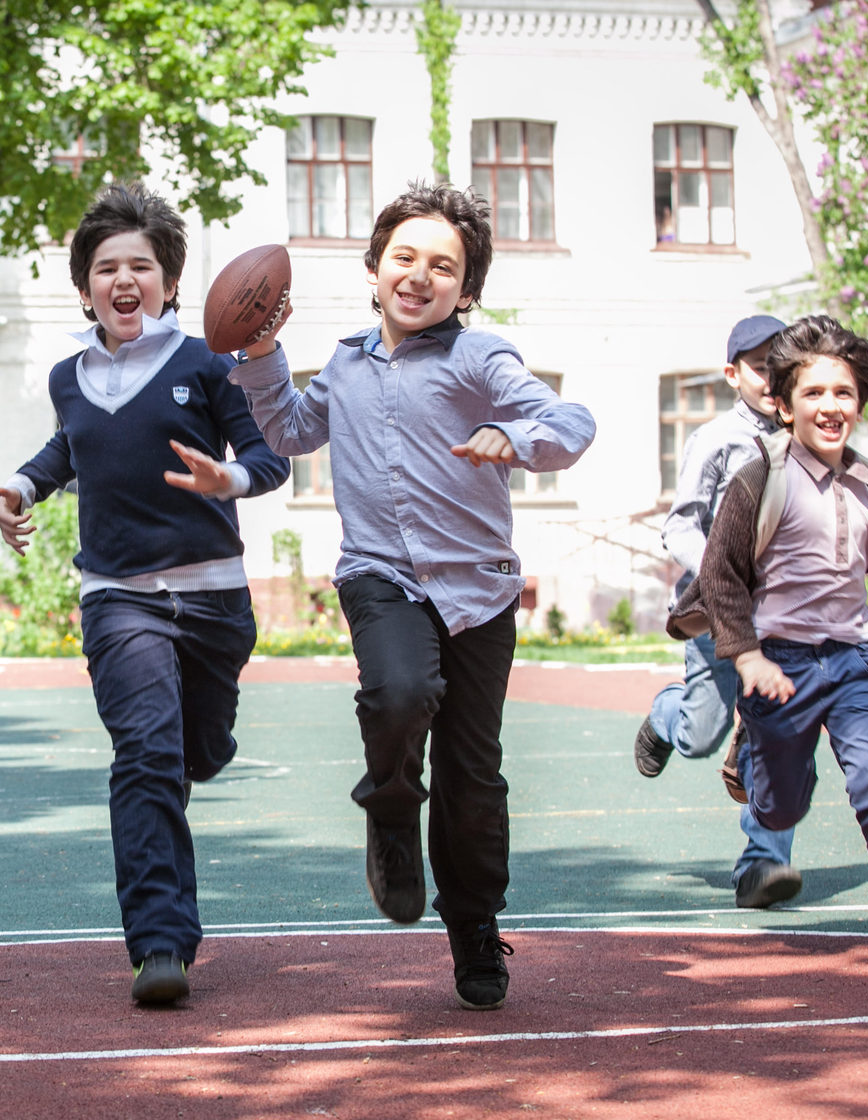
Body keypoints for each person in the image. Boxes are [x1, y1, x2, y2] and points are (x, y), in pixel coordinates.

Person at [231, 182, 594, 1012]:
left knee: (473, 773)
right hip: (381, 575)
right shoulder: (346, 365)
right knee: (399, 693)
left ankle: (472, 923)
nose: (420, 275)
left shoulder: (481, 358)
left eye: (444, 266)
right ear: (372, 269)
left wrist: (518, 435)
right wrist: (257, 356)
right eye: (405, 258)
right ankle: (391, 809)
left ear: (465, 290)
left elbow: (568, 422)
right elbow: (288, 432)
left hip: (479, 590)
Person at [0, 183, 290, 1005]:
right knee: (147, 757)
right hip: (118, 595)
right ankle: (160, 943)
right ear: (85, 284)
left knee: (195, 750)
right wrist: (21, 485)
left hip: (213, 599)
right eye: (105, 268)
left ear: (167, 280)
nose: (124, 280)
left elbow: (271, 460)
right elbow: (70, 447)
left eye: (141, 266)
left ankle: (211, 742)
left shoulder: (208, 365)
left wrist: (222, 477)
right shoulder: (69, 375)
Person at [669, 313, 868, 977]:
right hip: (779, 667)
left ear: (860, 401)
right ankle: (758, 756)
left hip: (852, 663)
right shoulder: (759, 479)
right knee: (781, 805)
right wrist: (747, 656)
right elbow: (721, 576)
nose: (830, 406)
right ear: (784, 404)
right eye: (814, 393)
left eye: (844, 392)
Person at [637, 315, 801, 910]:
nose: (772, 377)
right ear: (734, 374)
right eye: (760, 366)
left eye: (782, 365)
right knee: (702, 733)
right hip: (717, 614)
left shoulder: (808, 435)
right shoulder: (715, 440)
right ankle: (665, 715)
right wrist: (723, 571)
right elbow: (679, 524)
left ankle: (763, 863)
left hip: (785, 622)